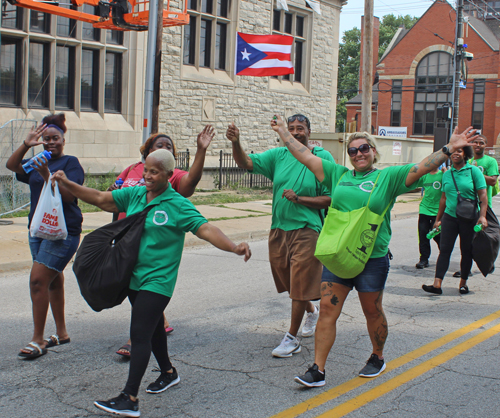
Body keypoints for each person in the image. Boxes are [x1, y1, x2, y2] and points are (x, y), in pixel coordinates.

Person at [269, 116, 479, 387]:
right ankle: (318, 370)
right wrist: (284, 132)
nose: (359, 154)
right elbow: (304, 155)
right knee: (328, 311)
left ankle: (377, 356)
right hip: (337, 256)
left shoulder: (387, 178)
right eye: (353, 150)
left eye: (364, 148)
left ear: (373, 152)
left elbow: (419, 168)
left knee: (372, 311)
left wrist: (447, 149)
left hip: (372, 258)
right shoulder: (338, 175)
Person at [52, 149, 251, 418]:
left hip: (157, 281)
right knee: (155, 328)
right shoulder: (135, 194)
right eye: (146, 170)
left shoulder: (177, 205)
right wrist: (67, 184)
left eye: (154, 172)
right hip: (132, 276)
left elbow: (205, 229)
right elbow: (101, 198)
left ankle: (129, 398)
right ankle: (168, 373)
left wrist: (234, 247)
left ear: (169, 175)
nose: (147, 175)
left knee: (140, 334)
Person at [226, 114, 332, 358]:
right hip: (278, 230)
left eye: (300, 128)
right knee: (288, 282)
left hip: (308, 229)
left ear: (309, 131)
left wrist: (301, 199)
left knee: (298, 284)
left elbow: (330, 197)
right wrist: (236, 141)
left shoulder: (321, 157)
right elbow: (245, 163)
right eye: (291, 128)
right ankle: (311, 311)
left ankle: (291, 338)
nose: (295, 132)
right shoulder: (278, 155)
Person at [113, 127, 215, 357]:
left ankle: (136, 341)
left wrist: (201, 150)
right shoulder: (131, 169)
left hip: (151, 245)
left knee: (145, 295)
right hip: (125, 240)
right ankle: (161, 347)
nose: (165, 148)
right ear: (148, 150)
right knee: (139, 295)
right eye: (160, 145)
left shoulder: (172, 173)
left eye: (169, 147)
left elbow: (190, 183)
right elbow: (115, 192)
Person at [6, 113, 84, 359]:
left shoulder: (71, 163)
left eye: (55, 138)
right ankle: (61, 333)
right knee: (53, 279)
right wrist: (27, 145)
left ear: (63, 139)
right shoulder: (37, 159)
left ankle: (38, 338)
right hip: (38, 230)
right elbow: (12, 166)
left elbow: (71, 196)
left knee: (38, 281)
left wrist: (45, 174)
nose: (51, 142)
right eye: (46, 139)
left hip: (63, 232)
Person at [422, 145, 487, 295]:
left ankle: (463, 283)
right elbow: (443, 199)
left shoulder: (473, 171)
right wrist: (438, 220)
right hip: (450, 218)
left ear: (465, 154)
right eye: (453, 151)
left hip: (469, 218)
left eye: (459, 151)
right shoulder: (447, 174)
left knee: (466, 251)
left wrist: (482, 216)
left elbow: (482, 196)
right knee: (444, 250)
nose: (455, 154)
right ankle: (437, 284)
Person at [450, 135, 500, 278]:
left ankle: (489, 260)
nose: (478, 145)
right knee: (467, 239)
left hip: (484, 206)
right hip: (468, 206)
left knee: (488, 237)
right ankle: (466, 269)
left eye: (481, 143)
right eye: (476, 143)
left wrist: (475, 172)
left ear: (486, 145)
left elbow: (492, 180)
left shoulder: (490, 161)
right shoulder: (469, 161)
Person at [415, 167, 443, 269]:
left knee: (437, 235)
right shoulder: (424, 176)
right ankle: (424, 259)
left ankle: (444, 256)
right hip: (424, 209)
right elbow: (413, 183)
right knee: (423, 235)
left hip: (438, 211)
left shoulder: (442, 174)